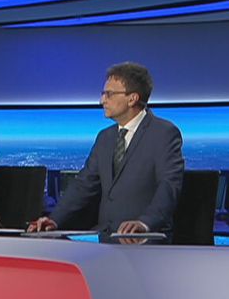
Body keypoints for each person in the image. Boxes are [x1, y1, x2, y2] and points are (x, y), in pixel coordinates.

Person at [29, 62, 184, 235]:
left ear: (132, 98)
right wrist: (54, 220)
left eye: (109, 94)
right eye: (103, 94)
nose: (102, 100)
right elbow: (84, 185)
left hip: (146, 237)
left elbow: (169, 186)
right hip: (105, 235)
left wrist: (145, 223)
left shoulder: (163, 133)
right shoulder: (105, 137)